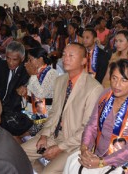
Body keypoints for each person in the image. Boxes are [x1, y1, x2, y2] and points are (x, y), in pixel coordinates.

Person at [21, 43, 103, 173]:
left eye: (71, 55)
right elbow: (54, 113)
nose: (65, 58)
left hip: (74, 144)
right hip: (52, 136)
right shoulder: (60, 80)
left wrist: (60, 147)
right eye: (64, 54)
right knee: (20, 153)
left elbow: (88, 128)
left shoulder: (94, 88)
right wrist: (44, 135)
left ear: (83, 61)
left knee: (49, 172)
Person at [65, 59, 128, 173]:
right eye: (114, 78)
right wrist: (85, 148)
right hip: (100, 153)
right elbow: (92, 126)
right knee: (72, 163)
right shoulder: (105, 95)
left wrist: (103, 162)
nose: (117, 85)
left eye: (124, 80)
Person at [16, 47, 59, 135]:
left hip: (44, 116)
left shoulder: (52, 73)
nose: (27, 63)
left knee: (20, 136)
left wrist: (32, 75)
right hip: (29, 111)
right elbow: (30, 90)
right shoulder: (33, 71)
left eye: (30, 60)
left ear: (40, 59)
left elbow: (40, 94)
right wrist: (24, 91)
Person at [0, 41, 30, 136]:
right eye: (8, 58)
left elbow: (18, 102)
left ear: (22, 59)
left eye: (14, 59)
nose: (10, 62)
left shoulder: (27, 72)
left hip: (14, 112)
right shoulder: (1, 66)